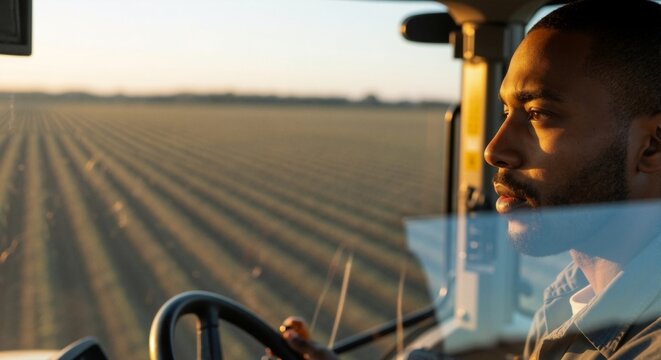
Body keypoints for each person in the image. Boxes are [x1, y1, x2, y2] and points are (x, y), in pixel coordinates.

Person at [281, 0, 661, 358]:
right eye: (506, 111)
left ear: (652, 146)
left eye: (539, 113)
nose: (494, 150)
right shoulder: (574, 294)